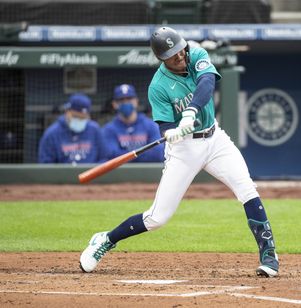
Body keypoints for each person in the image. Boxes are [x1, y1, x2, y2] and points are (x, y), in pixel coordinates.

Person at [79, 26, 279, 277]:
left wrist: (191, 111)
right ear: (161, 59)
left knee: (247, 189)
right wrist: (171, 132)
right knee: (157, 218)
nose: (180, 56)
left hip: (215, 138)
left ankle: (269, 255)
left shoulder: (196, 54)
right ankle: (106, 240)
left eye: (180, 50)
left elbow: (207, 83)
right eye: (173, 55)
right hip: (183, 149)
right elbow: (165, 126)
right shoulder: (158, 86)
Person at [102, 84, 164, 162]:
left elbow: (157, 154)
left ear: (136, 101)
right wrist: (143, 154)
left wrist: (125, 156)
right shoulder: (108, 129)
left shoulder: (151, 126)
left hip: (147, 172)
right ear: (114, 104)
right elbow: (111, 155)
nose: (125, 102)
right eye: (121, 100)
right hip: (121, 173)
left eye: (129, 99)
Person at [38, 93, 107, 164]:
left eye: (83, 118)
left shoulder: (95, 130)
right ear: (67, 112)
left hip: (91, 174)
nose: (79, 120)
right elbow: (46, 164)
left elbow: (104, 158)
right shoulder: (52, 134)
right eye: (76, 116)